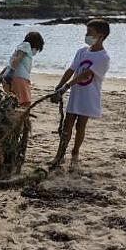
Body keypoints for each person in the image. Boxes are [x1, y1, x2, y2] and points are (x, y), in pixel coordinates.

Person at [51, 19, 111, 170]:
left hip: (88, 97)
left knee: (80, 125)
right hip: (75, 94)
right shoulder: (81, 52)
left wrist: (66, 86)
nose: (87, 35)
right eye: (87, 32)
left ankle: (75, 152)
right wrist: (59, 85)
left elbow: (85, 75)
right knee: (67, 124)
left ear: (101, 35)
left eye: (90, 33)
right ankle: (60, 153)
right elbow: (71, 70)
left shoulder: (103, 58)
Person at [2, 32, 45, 106]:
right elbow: (17, 60)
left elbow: (11, 63)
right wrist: (11, 73)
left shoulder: (21, 48)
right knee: (25, 103)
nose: (36, 51)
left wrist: (3, 75)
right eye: (37, 48)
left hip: (12, 77)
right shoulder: (26, 45)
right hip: (19, 78)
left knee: (13, 102)